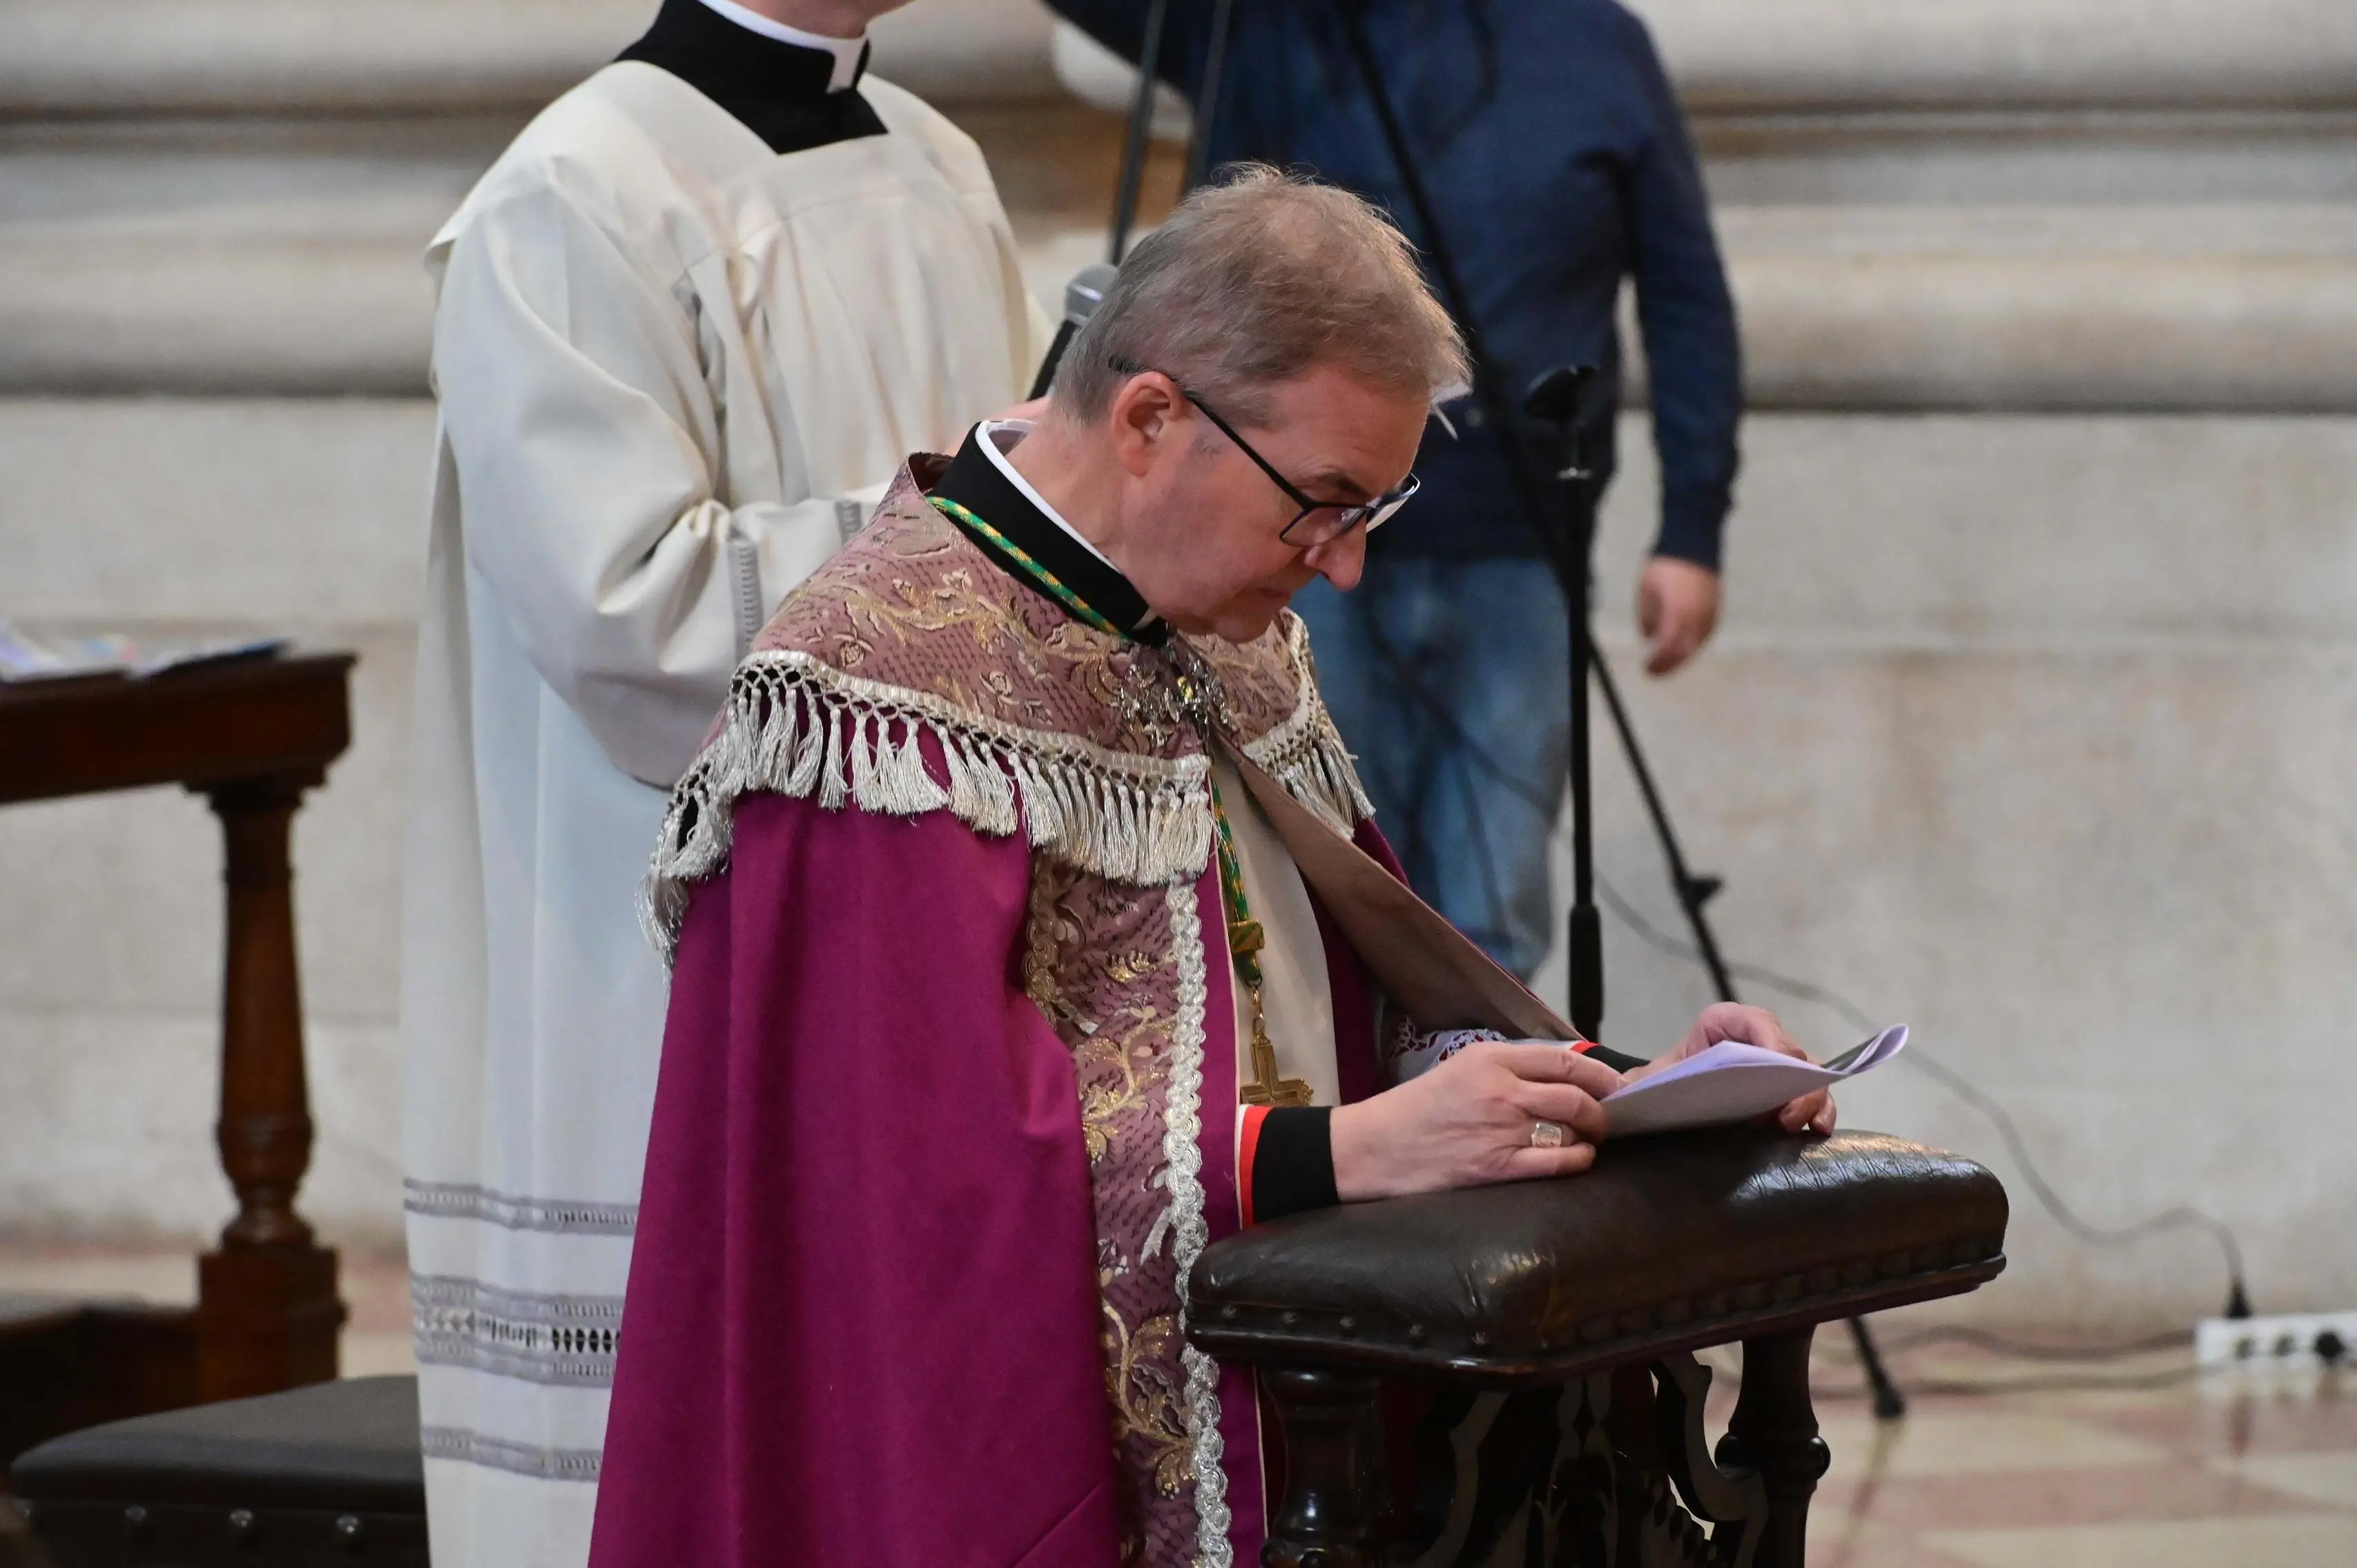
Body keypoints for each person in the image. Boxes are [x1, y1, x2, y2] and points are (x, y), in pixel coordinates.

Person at [587, 168, 1823, 1568]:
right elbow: (913, 1181)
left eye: (1371, 512)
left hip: (1313, 1392)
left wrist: (1634, 1090)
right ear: (1149, 420)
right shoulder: (875, 693)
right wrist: (1336, 1152)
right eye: (1323, 504)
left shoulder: (1225, 633)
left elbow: (1336, 1002)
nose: (1342, 570)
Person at [397, 0, 1044, 1561]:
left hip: (940, 894)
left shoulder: (940, 160)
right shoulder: (574, 193)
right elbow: (632, 615)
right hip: (679, 914)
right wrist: (962, 520)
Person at [1051, 0, 1742, 979]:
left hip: (1521, 542)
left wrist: (1691, 526)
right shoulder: (1268, 24)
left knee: (1491, 915)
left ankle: (1482, 1076)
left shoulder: (1592, 41)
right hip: (1279, 549)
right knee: (1307, 891)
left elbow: (1685, 294)